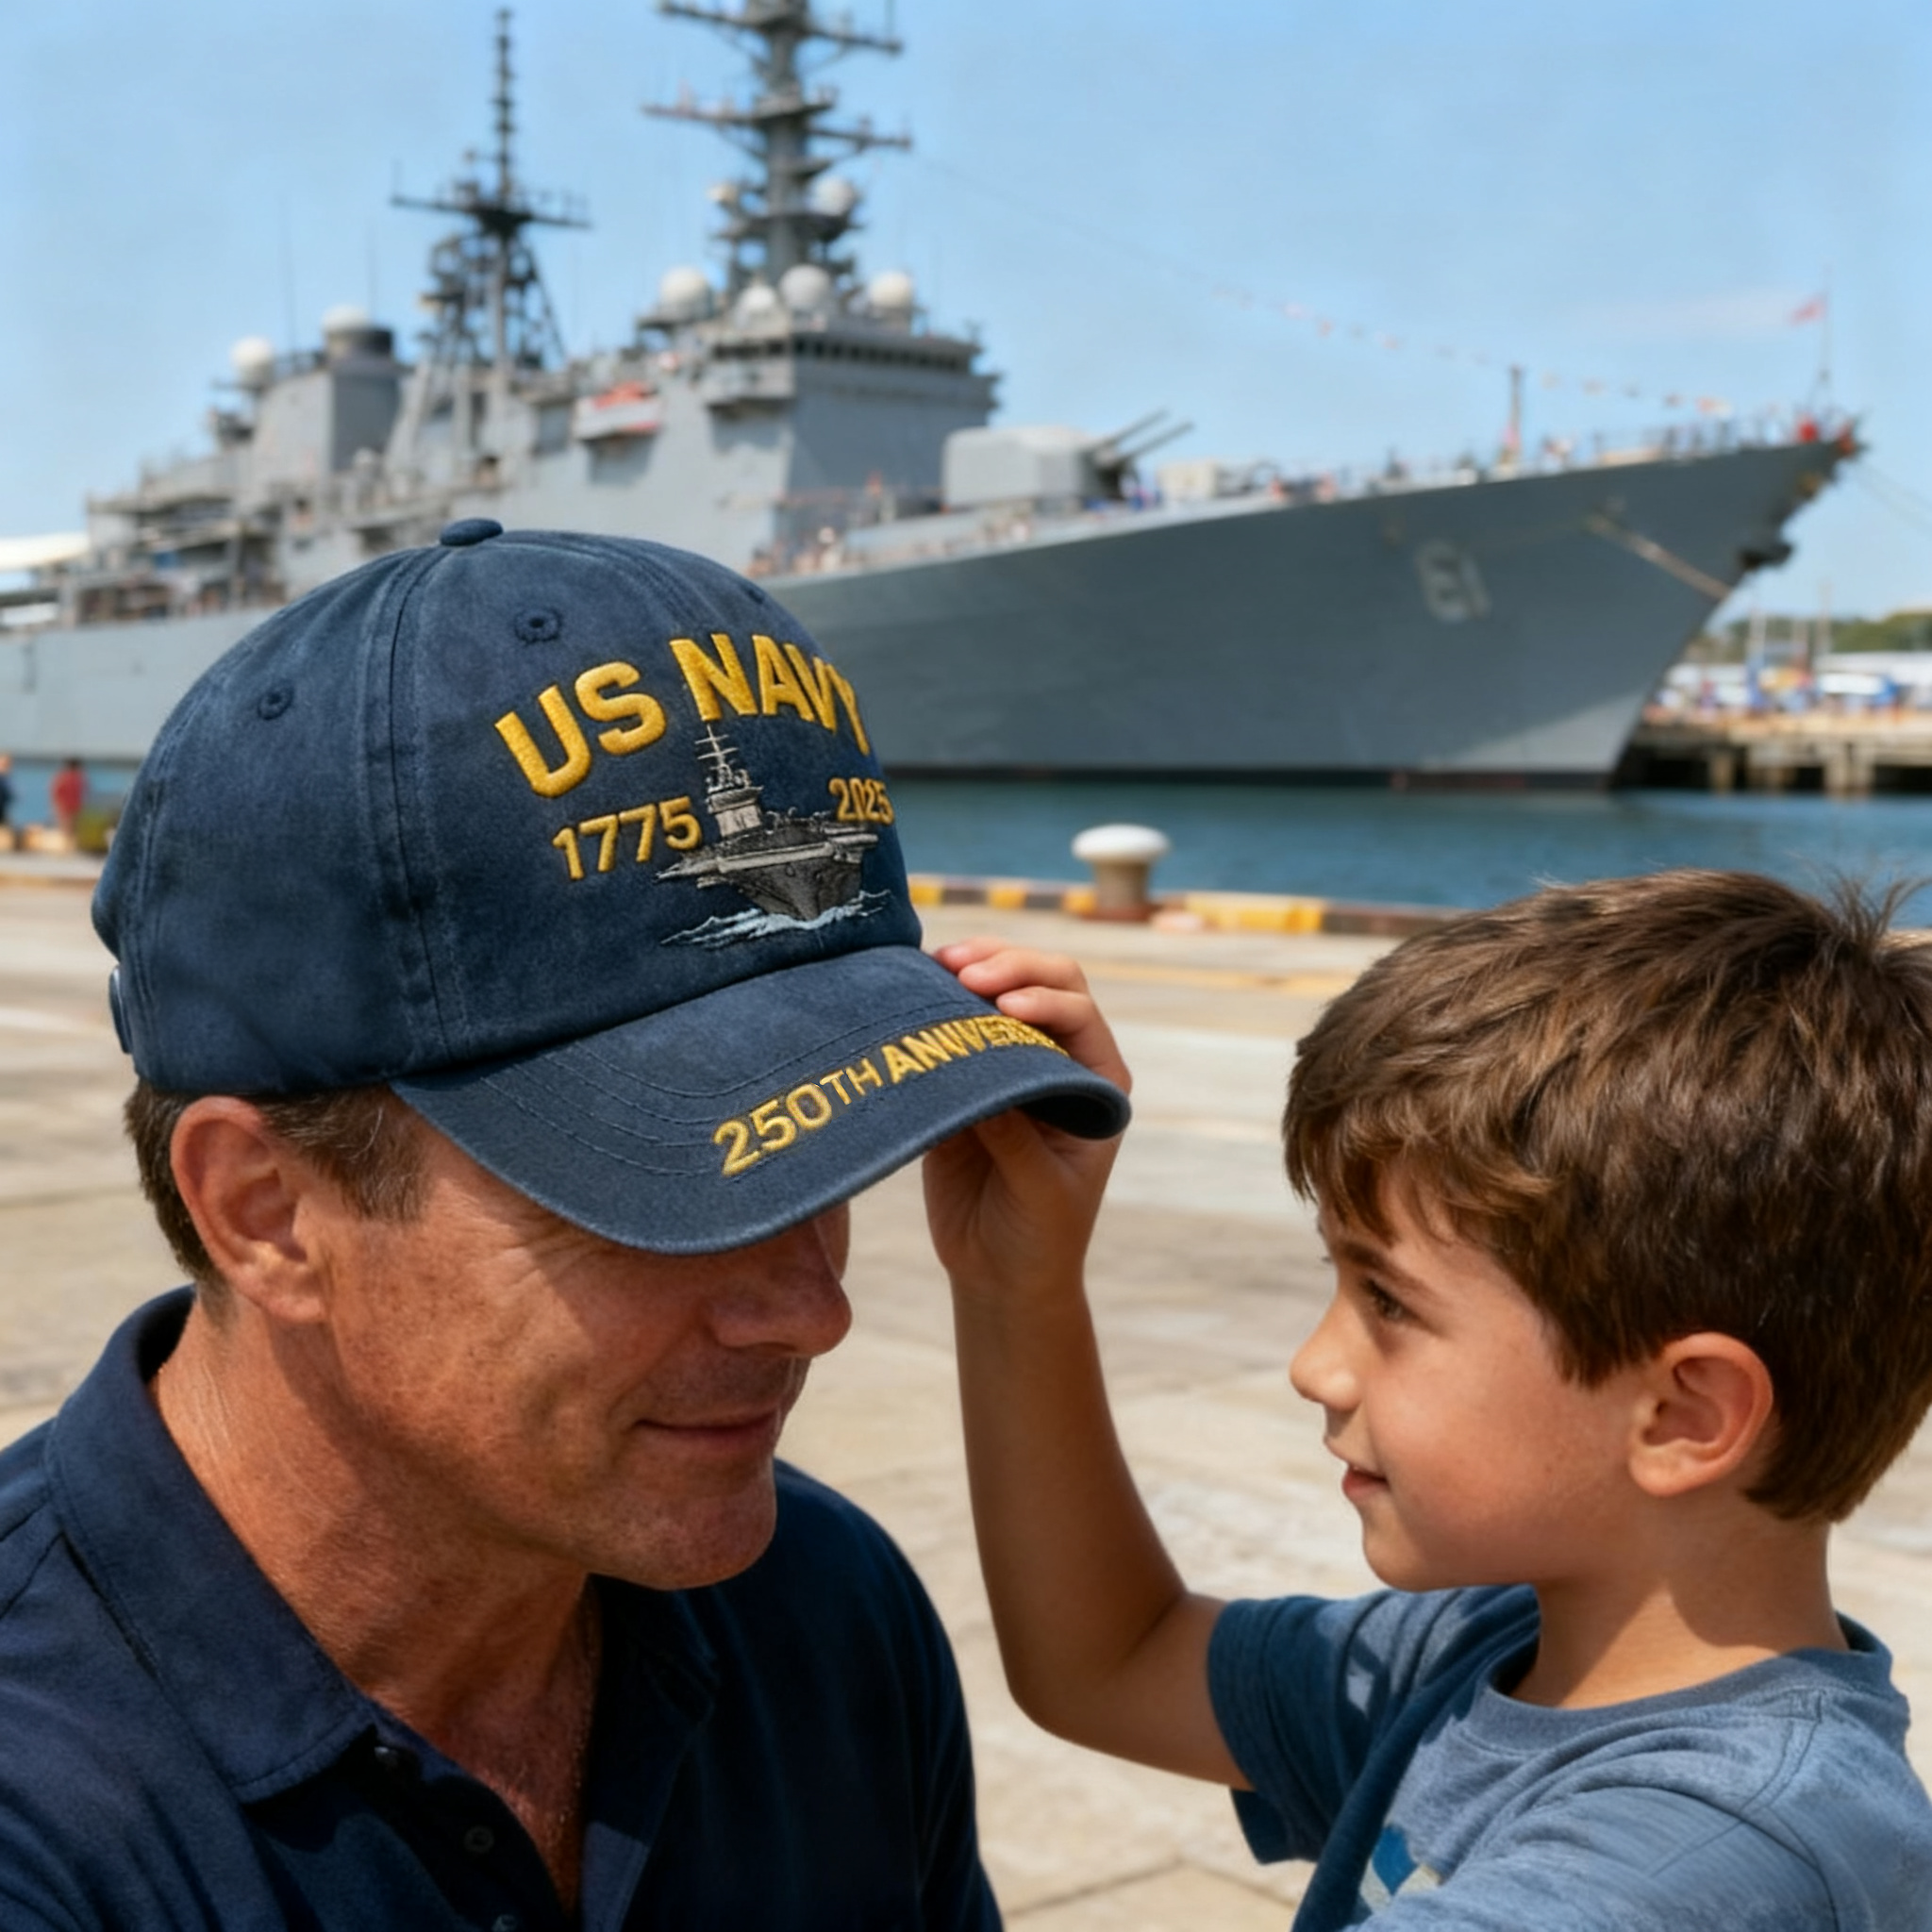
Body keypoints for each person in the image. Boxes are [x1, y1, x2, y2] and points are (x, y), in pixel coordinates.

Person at [0, 519, 1128, 1929]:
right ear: (266, 1212)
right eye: (663, 1191)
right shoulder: (44, 1828)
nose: (816, 1311)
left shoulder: (826, 1617)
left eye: (824, 1151)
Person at [925, 872, 1932, 1928]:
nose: (1315, 1365)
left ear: (1682, 1414)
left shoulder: (1707, 1857)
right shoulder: (1487, 1650)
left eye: (1387, 1301)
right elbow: (1113, 1660)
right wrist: (1016, 1285)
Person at [49, 754, 85, 840]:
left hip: (68, 807)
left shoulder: (64, 777)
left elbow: (55, 792)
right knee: (69, 829)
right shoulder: (75, 778)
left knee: (67, 829)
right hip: (69, 807)